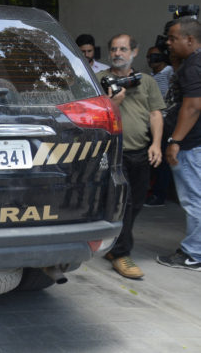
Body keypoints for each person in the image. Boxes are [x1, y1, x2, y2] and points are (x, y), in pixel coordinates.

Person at [97, 33, 164, 279]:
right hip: (113, 152)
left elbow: (155, 113)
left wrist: (156, 144)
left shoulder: (145, 81)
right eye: (114, 49)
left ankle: (114, 244)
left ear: (134, 52)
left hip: (140, 151)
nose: (118, 53)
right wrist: (113, 102)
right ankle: (121, 253)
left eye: (123, 49)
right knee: (123, 204)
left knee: (135, 204)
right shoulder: (99, 80)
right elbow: (93, 113)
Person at [158, 17, 201, 271]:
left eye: (173, 39)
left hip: (190, 145)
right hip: (195, 143)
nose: (169, 43)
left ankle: (194, 253)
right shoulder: (192, 63)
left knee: (194, 199)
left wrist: (175, 140)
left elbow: (193, 106)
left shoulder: (193, 67)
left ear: (190, 39)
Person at [145, 44, 175, 207]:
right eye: (149, 56)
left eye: (155, 56)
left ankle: (159, 195)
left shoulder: (169, 73)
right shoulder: (151, 76)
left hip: (164, 123)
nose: (151, 59)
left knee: (161, 161)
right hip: (151, 122)